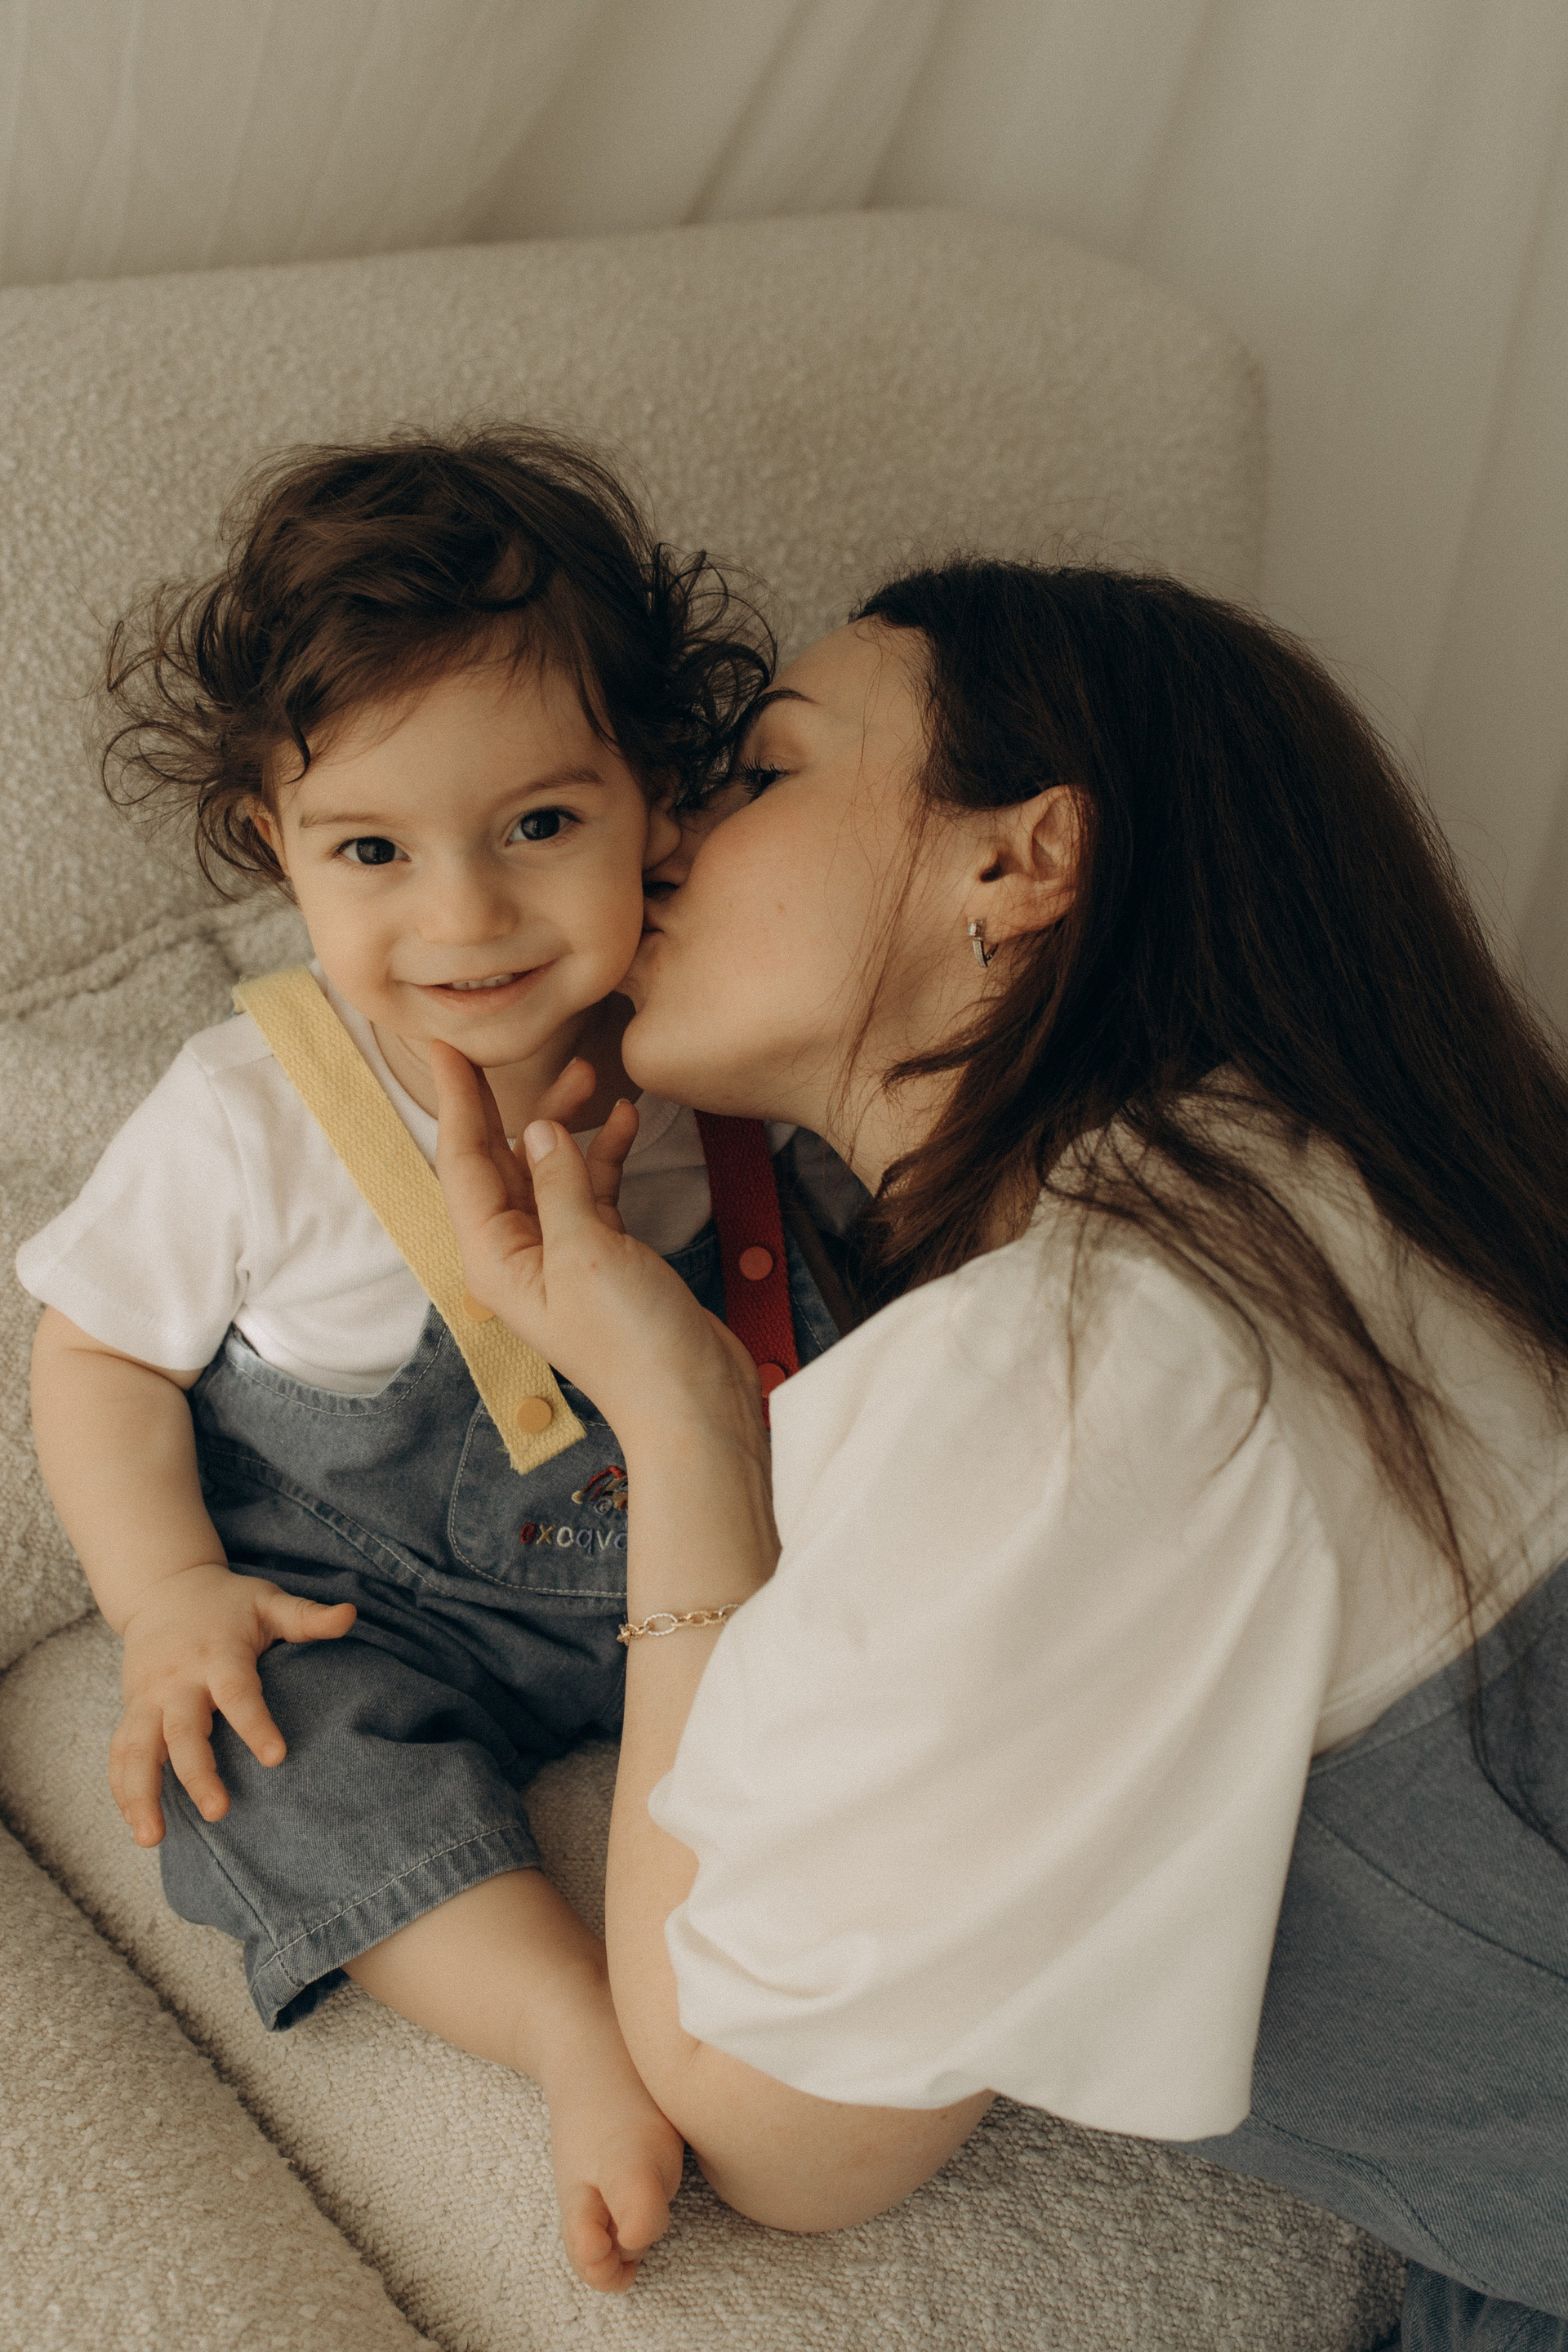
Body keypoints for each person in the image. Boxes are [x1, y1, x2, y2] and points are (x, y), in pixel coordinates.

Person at [433, 560, 1568, 2350]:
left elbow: (767, 2120)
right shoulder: (1317, 1197)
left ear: (1024, 861)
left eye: (765, 770)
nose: (661, 841)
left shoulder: (1091, 1363)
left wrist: (679, 1417)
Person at [17, 427, 843, 2292]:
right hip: (365, 1605)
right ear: (276, 849)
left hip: (708, 1587)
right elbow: (98, 1355)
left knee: (887, 1718)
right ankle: (565, 2025)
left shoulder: (722, 1051)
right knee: (252, 1758)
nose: (463, 917)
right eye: (374, 852)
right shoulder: (250, 1110)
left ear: (659, 802)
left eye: (541, 827)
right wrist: (167, 1597)